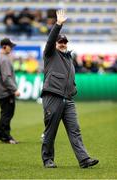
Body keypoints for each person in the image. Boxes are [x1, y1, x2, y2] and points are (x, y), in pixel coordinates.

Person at [41, 9, 99, 168]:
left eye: (65, 42)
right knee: (51, 131)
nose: (63, 44)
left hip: (68, 99)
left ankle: (84, 159)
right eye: (60, 42)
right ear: (55, 44)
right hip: (53, 96)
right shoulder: (50, 54)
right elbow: (50, 40)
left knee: (75, 131)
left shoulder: (69, 58)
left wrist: (73, 88)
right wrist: (58, 24)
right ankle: (48, 160)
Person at [0, 38, 20, 144]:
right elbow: (6, 77)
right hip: (6, 91)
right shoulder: (4, 59)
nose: (11, 48)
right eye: (10, 46)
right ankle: (4, 134)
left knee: (5, 112)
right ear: (4, 46)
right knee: (8, 113)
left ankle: (0, 132)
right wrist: (14, 89)